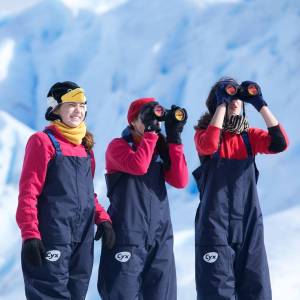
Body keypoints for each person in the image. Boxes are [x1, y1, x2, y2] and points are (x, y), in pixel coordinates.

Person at [16, 81, 115, 300]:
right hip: (52, 236)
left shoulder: (85, 148)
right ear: (55, 109)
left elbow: (88, 194)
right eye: (71, 104)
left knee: (76, 294)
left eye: (82, 105)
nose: (78, 110)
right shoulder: (43, 142)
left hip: (82, 238)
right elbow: (28, 192)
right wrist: (30, 234)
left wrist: (102, 218)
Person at [193, 77, 289, 300]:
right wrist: (221, 104)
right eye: (229, 97)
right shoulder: (203, 135)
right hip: (214, 225)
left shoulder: (249, 138)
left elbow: (280, 142)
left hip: (248, 224)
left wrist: (260, 104)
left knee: (257, 289)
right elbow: (209, 144)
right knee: (217, 292)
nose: (235, 101)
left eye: (238, 98)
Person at [97, 98, 189, 300]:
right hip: (126, 236)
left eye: (155, 118)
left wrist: (174, 138)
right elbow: (139, 166)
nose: (153, 123)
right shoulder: (117, 147)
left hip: (160, 236)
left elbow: (181, 180)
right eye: (146, 117)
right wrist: (150, 135)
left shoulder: (158, 148)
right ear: (132, 122)